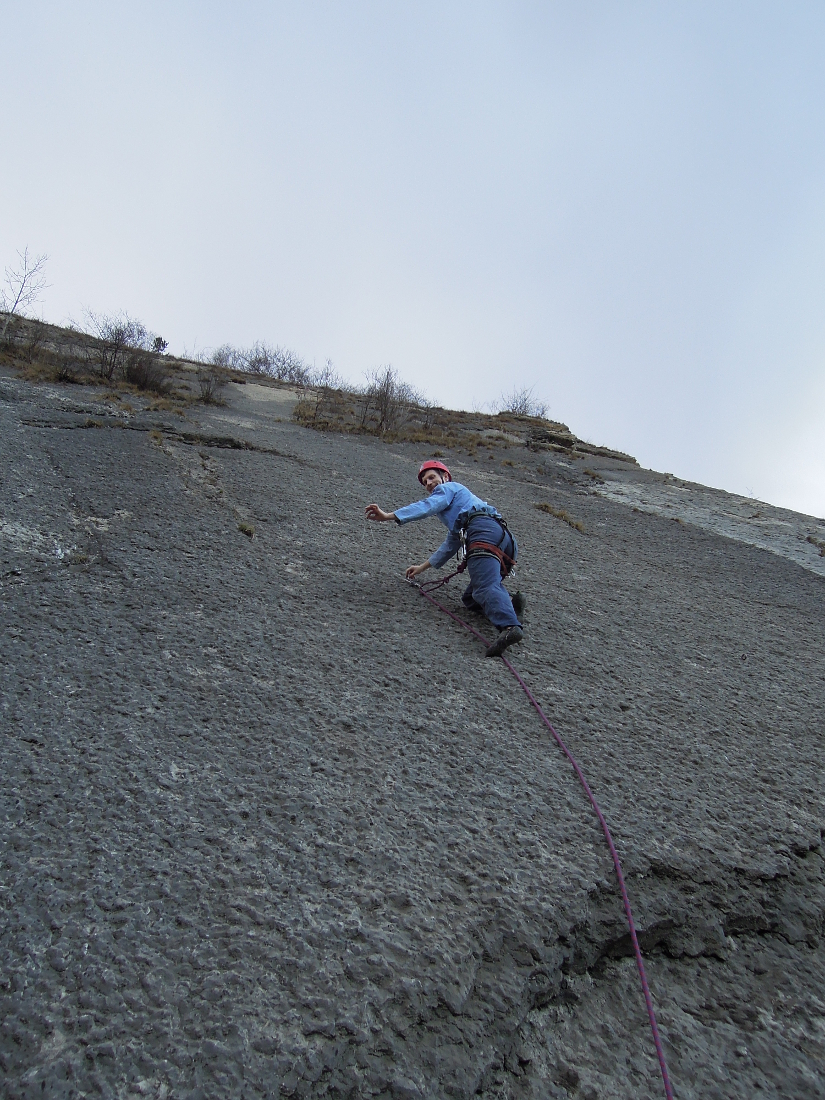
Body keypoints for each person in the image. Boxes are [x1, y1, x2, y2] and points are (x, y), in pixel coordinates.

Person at [365, 459, 525, 657]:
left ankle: (509, 626)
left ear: (445, 476)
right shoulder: (462, 507)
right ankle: (510, 601)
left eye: (431, 477)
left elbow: (428, 505)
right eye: (425, 482)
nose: (429, 483)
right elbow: (451, 544)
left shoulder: (448, 489)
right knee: (472, 597)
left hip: (482, 532)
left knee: (484, 587)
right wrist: (421, 567)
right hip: (504, 538)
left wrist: (389, 515)